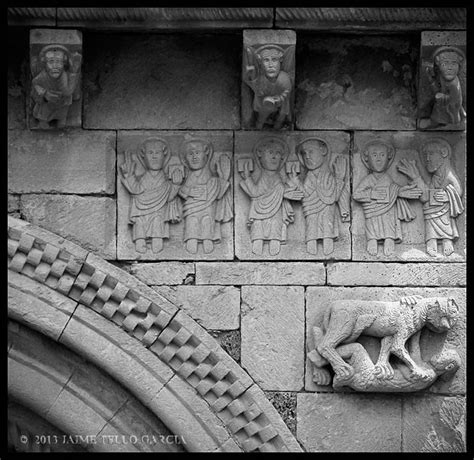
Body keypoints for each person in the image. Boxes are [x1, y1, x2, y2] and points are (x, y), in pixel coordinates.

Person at [353, 140, 421, 256]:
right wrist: (372, 194)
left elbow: (393, 189)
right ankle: (372, 240)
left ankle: (389, 239)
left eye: (382, 155)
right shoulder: (368, 179)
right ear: (367, 159)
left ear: (388, 159)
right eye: (374, 155)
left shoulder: (387, 178)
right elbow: (356, 194)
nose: (378, 159)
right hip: (372, 212)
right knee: (372, 223)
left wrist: (400, 192)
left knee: (389, 220)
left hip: (388, 212)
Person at [397, 138, 464, 257]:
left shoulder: (448, 174)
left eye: (431, 154)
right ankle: (431, 240)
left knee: (445, 220)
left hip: (443, 211)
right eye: (426, 155)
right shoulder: (435, 177)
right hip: (432, 212)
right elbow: (425, 197)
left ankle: (447, 240)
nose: (427, 158)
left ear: (443, 153)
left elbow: (458, 190)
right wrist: (416, 177)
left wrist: (447, 196)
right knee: (429, 215)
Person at [239, 137, 303, 256]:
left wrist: (294, 180)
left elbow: (289, 191)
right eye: (270, 153)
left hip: (276, 211)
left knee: (275, 233)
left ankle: (275, 244)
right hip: (258, 211)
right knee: (257, 234)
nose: (274, 157)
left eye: (278, 153)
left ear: (282, 159)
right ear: (260, 157)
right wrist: (247, 177)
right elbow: (255, 193)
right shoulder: (263, 178)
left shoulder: (278, 180)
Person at [120, 138, 182, 254]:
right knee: (140, 224)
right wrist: (129, 175)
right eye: (150, 153)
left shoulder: (165, 180)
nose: (154, 157)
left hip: (158, 213)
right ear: (143, 157)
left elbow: (168, 198)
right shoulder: (144, 178)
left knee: (157, 222)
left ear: (164, 156)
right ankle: (140, 242)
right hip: (140, 211)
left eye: (157, 153)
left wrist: (176, 185)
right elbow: (135, 189)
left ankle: (157, 242)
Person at [293, 138, 350, 255]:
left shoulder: (328, 175)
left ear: (323, 151)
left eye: (311, 152)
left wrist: (339, 178)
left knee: (327, 225)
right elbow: (305, 194)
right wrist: (295, 180)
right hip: (310, 209)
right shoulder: (309, 176)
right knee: (311, 227)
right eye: (304, 154)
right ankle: (311, 244)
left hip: (327, 207)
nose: (307, 156)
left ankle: (328, 244)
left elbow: (334, 196)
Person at [178, 138, 232, 254]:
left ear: (206, 153)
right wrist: (189, 192)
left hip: (208, 207)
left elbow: (218, 194)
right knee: (192, 221)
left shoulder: (211, 177)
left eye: (197, 153)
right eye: (190, 154)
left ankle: (208, 239)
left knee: (207, 220)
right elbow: (182, 191)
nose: (194, 157)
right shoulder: (190, 176)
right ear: (185, 159)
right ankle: (191, 239)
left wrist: (223, 178)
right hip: (191, 208)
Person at [31, 44, 82, 129]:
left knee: (62, 114)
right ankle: (43, 122)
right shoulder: (42, 76)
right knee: (44, 113)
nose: (55, 65)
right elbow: (35, 83)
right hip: (47, 102)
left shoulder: (64, 76)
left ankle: (61, 121)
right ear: (45, 63)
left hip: (62, 101)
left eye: (58, 62)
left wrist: (74, 71)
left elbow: (68, 91)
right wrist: (45, 93)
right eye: (51, 61)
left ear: (64, 63)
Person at [244, 44, 293, 129]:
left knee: (282, 113)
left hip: (280, 102)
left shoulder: (283, 78)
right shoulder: (261, 78)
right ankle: (259, 122)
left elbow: (287, 91)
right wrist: (250, 73)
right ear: (260, 63)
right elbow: (254, 85)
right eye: (266, 60)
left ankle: (279, 124)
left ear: (280, 61)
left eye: (274, 60)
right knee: (263, 112)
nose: (270, 65)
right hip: (263, 103)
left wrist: (278, 99)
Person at [423, 46, 466, 129]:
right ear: (438, 67)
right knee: (437, 111)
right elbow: (437, 89)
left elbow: (455, 99)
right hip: (443, 104)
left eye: (453, 64)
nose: (449, 68)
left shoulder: (453, 84)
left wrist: (443, 97)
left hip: (450, 107)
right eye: (445, 64)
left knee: (438, 112)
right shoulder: (442, 78)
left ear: (459, 67)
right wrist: (430, 79)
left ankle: (444, 123)